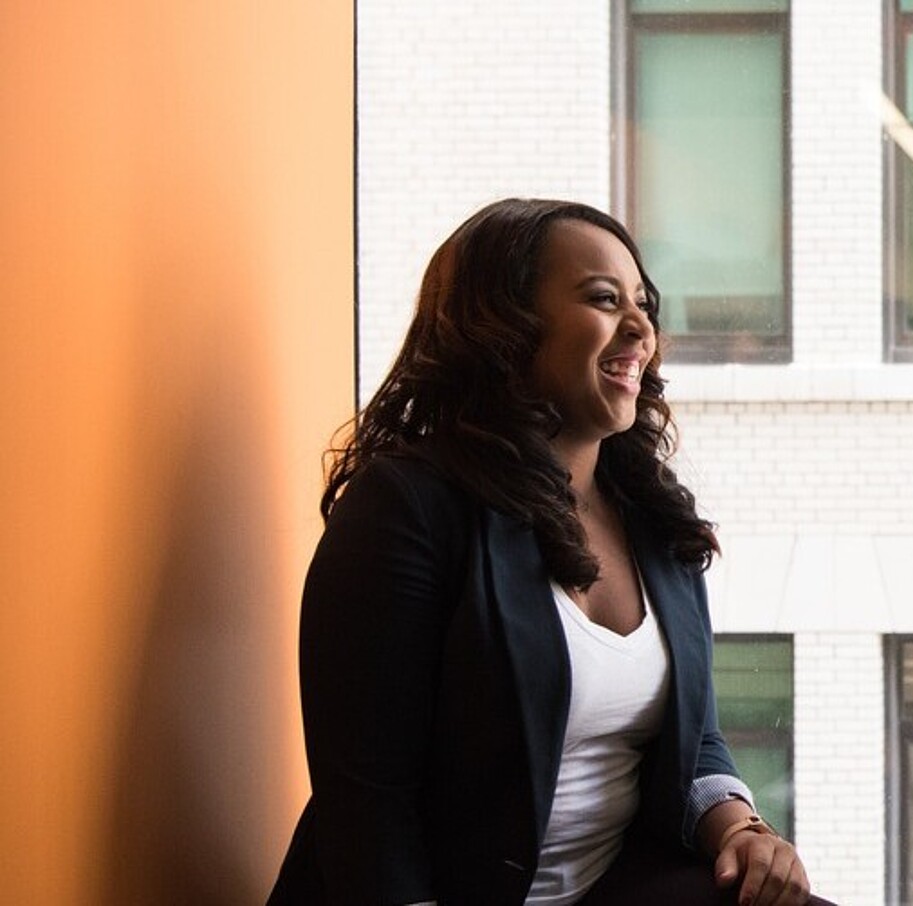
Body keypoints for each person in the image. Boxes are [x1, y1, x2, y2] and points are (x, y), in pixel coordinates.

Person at [268, 199, 813, 906]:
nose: (641, 328)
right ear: (504, 327)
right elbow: (368, 803)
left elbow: (693, 736)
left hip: (614, 887)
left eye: (644, 304)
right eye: (603, 299)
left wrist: (741, 828)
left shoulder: (651, 516)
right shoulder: (407, 508)